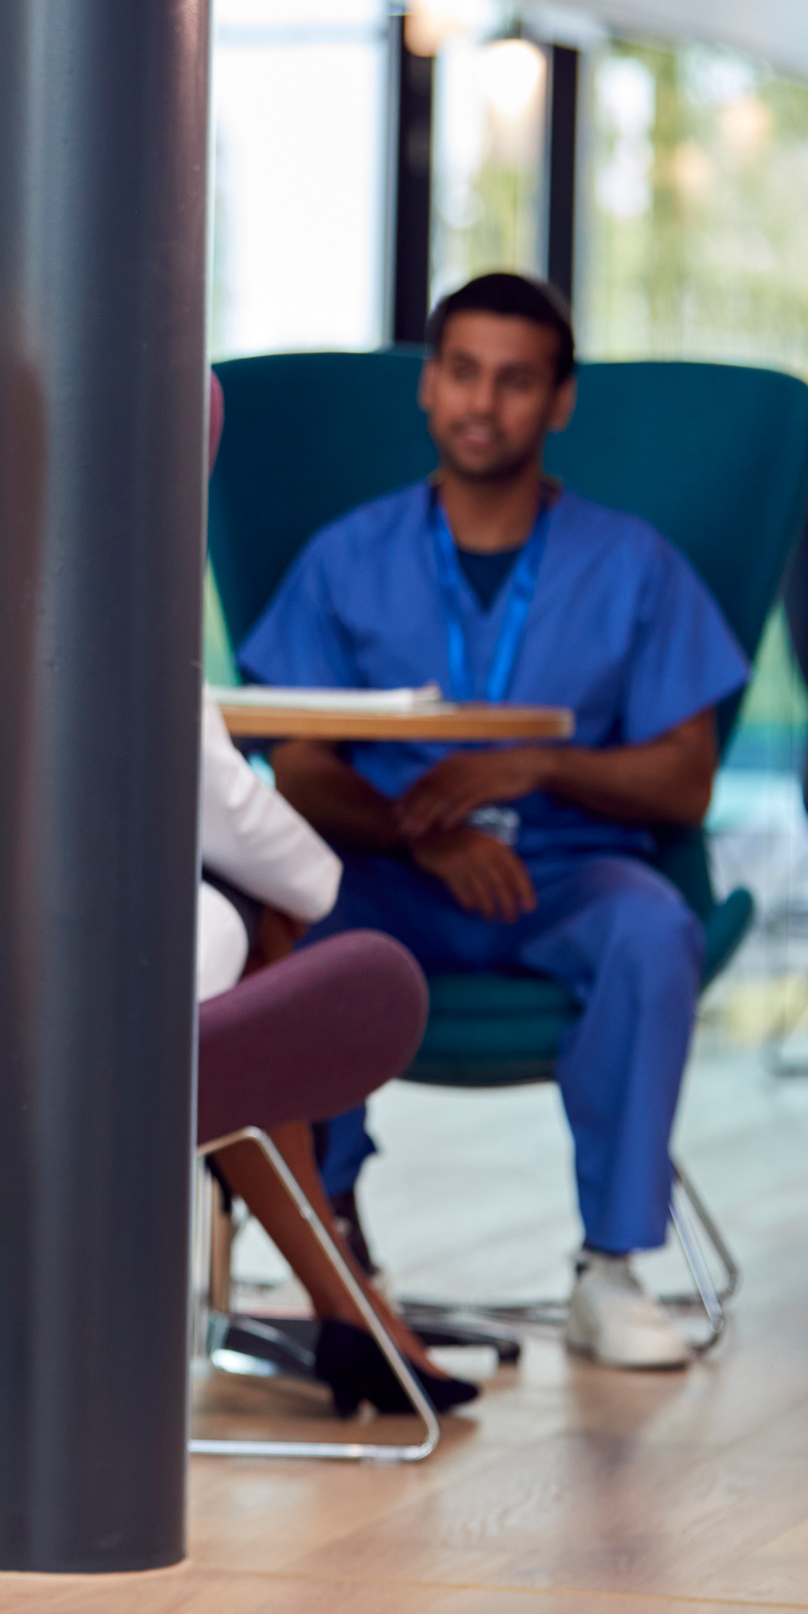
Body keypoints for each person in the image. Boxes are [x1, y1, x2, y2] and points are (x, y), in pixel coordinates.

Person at [238, 272, 748, 1371]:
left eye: (516, 382)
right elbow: (298, 769)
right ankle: (334, 1250)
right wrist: (419, 833)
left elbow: (685, 782)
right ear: (427, 388)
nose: (484, 403)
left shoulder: (632, 564)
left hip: (566, 876)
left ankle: (611, 1271)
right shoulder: (346, 558)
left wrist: (542, 766)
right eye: (462, 374)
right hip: (384, 872)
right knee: (281, 926)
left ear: (559, 402)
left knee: (653, 929)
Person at [191, 697, 475, 1414]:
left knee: (245, 932)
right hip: (52, 992)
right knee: (254, 950)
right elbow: (211, 786)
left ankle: (346, 1292)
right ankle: (348, 1295)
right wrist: (305, 888)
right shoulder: (96, 587)